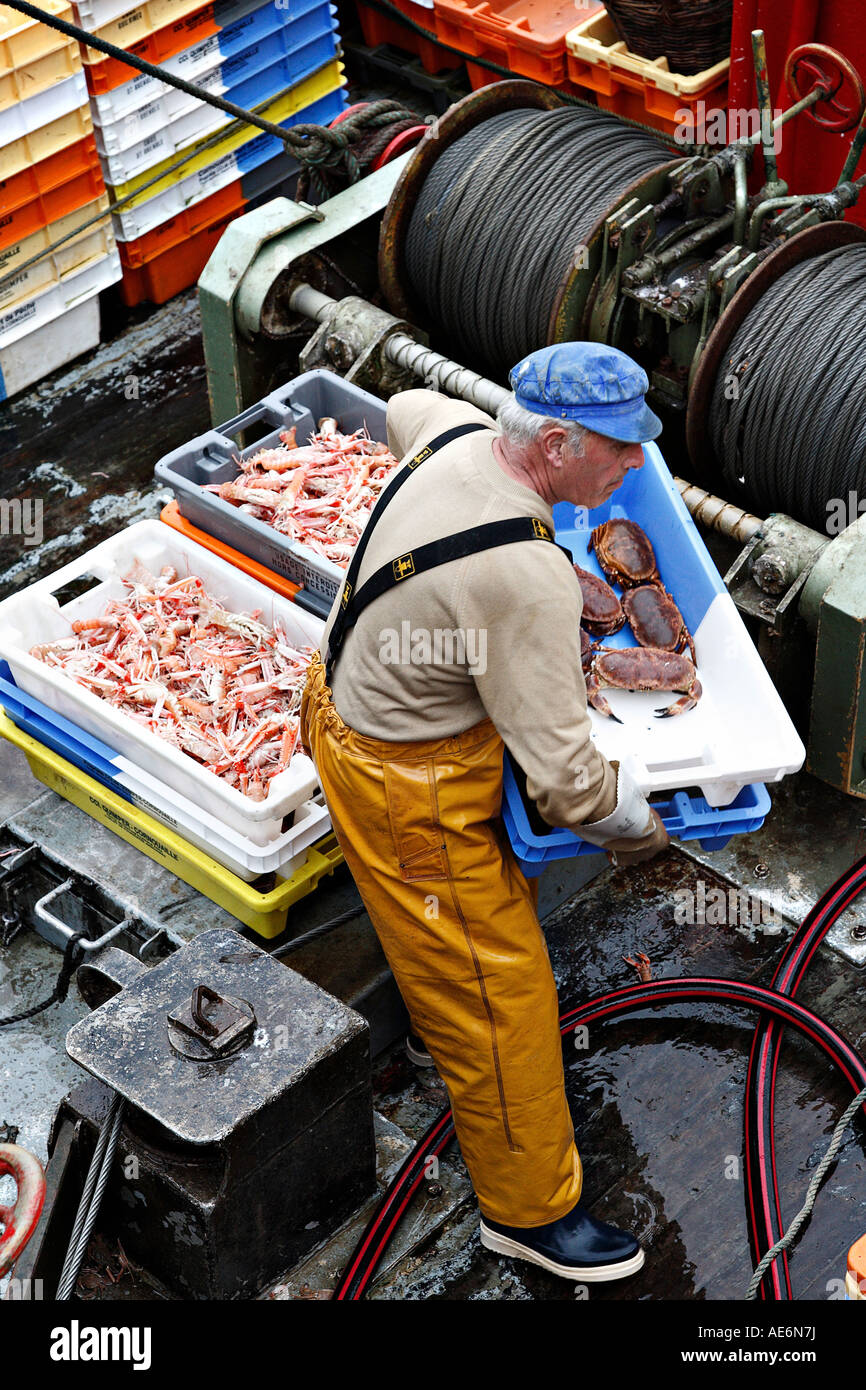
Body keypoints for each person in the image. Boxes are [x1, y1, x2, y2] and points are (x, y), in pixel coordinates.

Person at [300, 342, 670, 1284]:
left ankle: (432, 1036)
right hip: (407, 792)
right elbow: (567, 786)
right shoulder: (528, 577)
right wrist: (645, 828)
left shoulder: (455, 432)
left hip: (337, 710)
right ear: (553, 443)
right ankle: (528, 1216)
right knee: (502, 996)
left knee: (435, 947)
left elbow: (403, 402)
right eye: (621, 448)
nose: (636, 466)